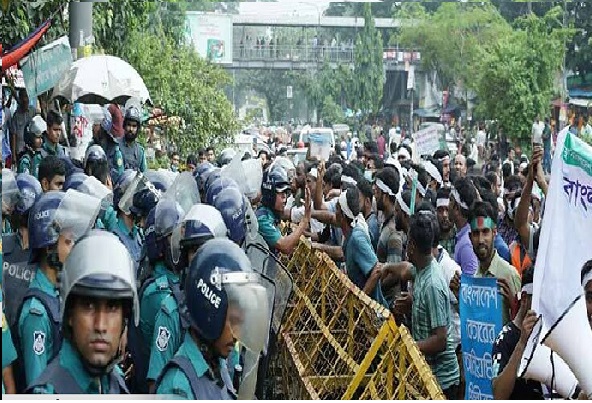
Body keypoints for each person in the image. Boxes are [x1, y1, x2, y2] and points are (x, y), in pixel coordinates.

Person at [156, 239, 274, 399]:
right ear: (210, 313)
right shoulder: (178, 389)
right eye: (234, 320)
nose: (237, 333)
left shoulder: (217, 365)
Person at [27, 231, 137, 394]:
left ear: (124, 320)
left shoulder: (114, 383)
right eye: (89, 306)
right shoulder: (47, 394)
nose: (100, 325)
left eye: (112, 307)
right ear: (70, 314)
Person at [14, 190, 100, 391]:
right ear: (49, 248)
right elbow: (38, 389)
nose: (74, 249)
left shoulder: (60, 292)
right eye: (68, 241)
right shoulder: (37, 312)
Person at [147, 205, 227, 390]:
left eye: (206, 249)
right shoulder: (172, 312)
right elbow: (155, 384)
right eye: (194, 251)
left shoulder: (224, 307)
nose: (200, 258)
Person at [384, 209, 460, 398]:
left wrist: (408, 346)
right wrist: (386, 267)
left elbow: (440, 340)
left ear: (411, 247)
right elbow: (406, 269)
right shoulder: (423, 268)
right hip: (428, 374)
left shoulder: (432, 284)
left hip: (442, 382)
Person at [491, 266, 545, 399]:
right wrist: (521, 343)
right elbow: (498, 394)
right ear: (525, 299)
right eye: (539, 300)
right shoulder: (505, 339)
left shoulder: (546, 333)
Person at [468, 201, 521, 324]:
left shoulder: (509, 275)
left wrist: (513, 306)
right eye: (476, 233)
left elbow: (520, 326)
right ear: (470, 237)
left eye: (485, 232)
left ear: (494, 232)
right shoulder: (475, 277)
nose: (481, 240)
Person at [337, 187, 386, 307]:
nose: (335, 213)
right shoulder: (348, 237)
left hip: (376, 312)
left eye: (337, 210)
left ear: (343, 215)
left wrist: (360, 300)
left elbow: (377, 270)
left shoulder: (356, 238)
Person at [256, 166, 310, 255]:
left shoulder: (271, 213)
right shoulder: (263, 219)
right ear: (270, 195)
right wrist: (304, 222)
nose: (285, 198)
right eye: (281, 194)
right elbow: (285, 246)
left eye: (286, 193)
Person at [449, 177, 479, 276]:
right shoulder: (461, 236)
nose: (447, 205)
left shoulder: (467, 244)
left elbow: (470, 285)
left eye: (450, 200)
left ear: (456, 208)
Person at [8, 88, 35, 163]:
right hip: (20, 151)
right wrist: (13, 155)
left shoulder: (33, 111)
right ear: (20, 99)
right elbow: (13, 135)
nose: (25, 99)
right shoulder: (16, 116)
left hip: (32, 150)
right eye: (23, 97)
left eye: (27, 97)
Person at [120, 107, 147, 172]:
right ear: (124, 126)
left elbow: (144, 173)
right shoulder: (116, 146)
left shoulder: (140, 151)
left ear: (138, 128)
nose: (131, 129)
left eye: (134, 126)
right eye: (128, 125)